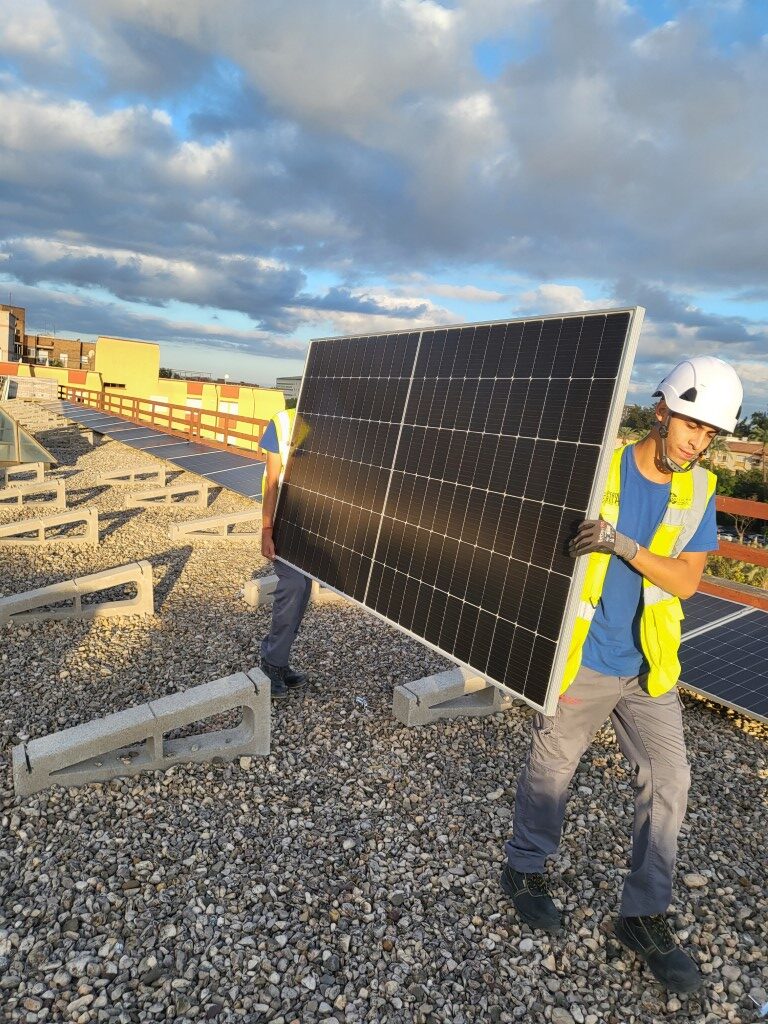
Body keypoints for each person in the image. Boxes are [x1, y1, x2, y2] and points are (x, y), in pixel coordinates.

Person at [501, 356, 743, 995]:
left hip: (647, 666)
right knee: (552, 770)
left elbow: (688, 581)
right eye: (690, 423)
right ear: (661, 410)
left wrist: (623, 545)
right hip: (584, 656)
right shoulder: (596, 464)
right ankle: (525, 869)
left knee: (671, 780)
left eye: (709, 433)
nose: (697, 440)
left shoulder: (699, 489)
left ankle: (641, 915)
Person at [258, 406, 311, 699]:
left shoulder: (343, 420)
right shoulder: (283, 422)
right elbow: (272, 482)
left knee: (303, 591)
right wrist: (267, 530)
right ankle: (271, 662)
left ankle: (279, 659)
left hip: (318, 520)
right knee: (294, 584)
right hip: (285, 519)